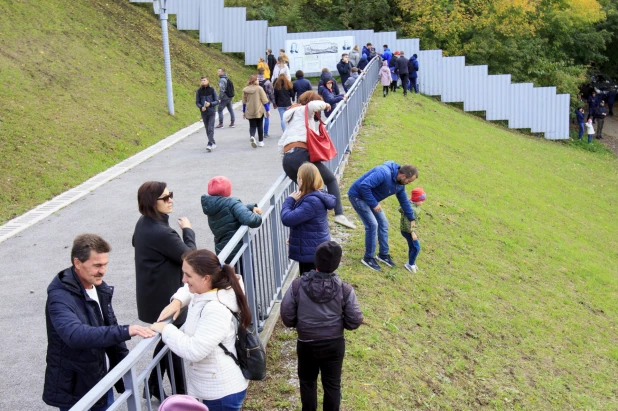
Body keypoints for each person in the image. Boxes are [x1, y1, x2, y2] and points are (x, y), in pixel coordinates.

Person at [43, 234, 155, 411]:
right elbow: (75, 335)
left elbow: (108, 326)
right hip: (78, 390)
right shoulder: (59, 297)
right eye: (97, 265)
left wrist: (125, 367)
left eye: (105, 264)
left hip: (101, 380)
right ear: (78, 263)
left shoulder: (99, 286)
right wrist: (126, 331)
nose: (103, 270)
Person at [152, 249, 252, 410]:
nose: (184, 279)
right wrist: (177, 301)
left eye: (188, 275)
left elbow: (194, 350)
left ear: (206, 278)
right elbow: (190, 291)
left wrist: (166, 330)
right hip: (214, 387)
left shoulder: (215, 309)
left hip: (220, 394)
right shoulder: (214, 288)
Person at [280, 241, 363, 411]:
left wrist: (301, 324)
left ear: (315, 260)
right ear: (337, 264)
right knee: (332, 385)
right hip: (334, 344)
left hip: (306, 343)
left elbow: (287, 316)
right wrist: (340, 324)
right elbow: (355, 320)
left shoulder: (297, 285)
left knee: (307, 383)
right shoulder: (345, 289)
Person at [133, 181, 196, 400]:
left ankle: (154, 387)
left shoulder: (143, 224)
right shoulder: (161, 232)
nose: (171, 201)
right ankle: (180, 396)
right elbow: (191, 258)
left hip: (151, 296)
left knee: (167, 343)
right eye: (165, 198)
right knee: (173, 343)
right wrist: (188, 230)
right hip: (167, 299)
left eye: (171, 195)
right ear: (152, 202)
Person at [278, 91, 356, 229]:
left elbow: (281, 143)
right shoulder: (305, 110)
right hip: (300, 155)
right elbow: (313, 105)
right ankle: (339, 214)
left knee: (308, 192)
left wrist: (286, 162)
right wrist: (325, 104)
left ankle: (302, 229)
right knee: (330, 179)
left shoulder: (292, 116)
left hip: (288, 159)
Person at [348, 161, 418, 271]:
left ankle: (383, 255)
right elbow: (364, 186)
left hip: (371, 199)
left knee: (384, 223)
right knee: (372, 225)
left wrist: (411, 218)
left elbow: (404, 201)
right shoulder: (383, 172)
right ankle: (368, 258)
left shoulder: (400, 184)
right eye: (409, 181)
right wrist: (374, 204)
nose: (408, 183)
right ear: (403, 175)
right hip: (358, 197)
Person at [281, 163, 336, 274]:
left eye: (298, 177)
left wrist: (289, 200)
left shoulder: (311, 202)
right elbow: (305, 222)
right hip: (312, 248)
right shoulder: (315, 196)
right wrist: (294, 236)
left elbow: (287, 218)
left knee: (309, 286)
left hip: (311, 253)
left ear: (302, 180)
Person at [201, 176, 263, 263]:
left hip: (222, 249)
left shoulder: (211, 206)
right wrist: (258, 216)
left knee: (231, 274)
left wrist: (250, 207)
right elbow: (250, 220)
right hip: (238, 249)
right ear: (227, 190)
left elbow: (229, 212)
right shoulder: (231, 203)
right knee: (245, 273)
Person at [400, 187, 426, 273]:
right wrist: (412, 233)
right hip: (408, 231)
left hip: (405, 230)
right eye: (421, 200)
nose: (422, 202)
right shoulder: (413, 210)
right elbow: (410, 222)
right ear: (416, 199)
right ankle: (410, 264)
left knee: (412, 246)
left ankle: (412, 262)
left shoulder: (410, 205)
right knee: (416, 247)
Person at [243, 74, 270, 148]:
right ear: (254, 81)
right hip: (259, 110)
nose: (258, 81)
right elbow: (264, 100)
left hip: (249, 110)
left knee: (252, 126)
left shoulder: (245, 90)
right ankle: (260, 141)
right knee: (260, 126)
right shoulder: (259, 89)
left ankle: (252, 136)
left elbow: (244, 102)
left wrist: (243, 111)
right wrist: (267, 110)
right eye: (257, 79)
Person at [196, 76, 220, 152]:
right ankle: (213, 142)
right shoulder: (199, 91)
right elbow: (197, 102)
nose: (203, 81)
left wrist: (210, 104)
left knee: (210, 127)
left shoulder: (212, 90)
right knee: (207, 128)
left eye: (204, 80)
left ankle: (209, 143)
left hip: (211, 111)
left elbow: (217, 101)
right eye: (202, 80)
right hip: (204, 112)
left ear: (208, 81)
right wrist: (201, 107)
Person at [257, 68, 276, 138]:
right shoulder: (267, 82)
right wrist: (274, 102)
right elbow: (271, 93)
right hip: (266, 101)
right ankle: (265, 133)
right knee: (266, 116)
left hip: (257, 101)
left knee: (259, 117)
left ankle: (260, 131)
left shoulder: (255, 82)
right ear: (264, 73)